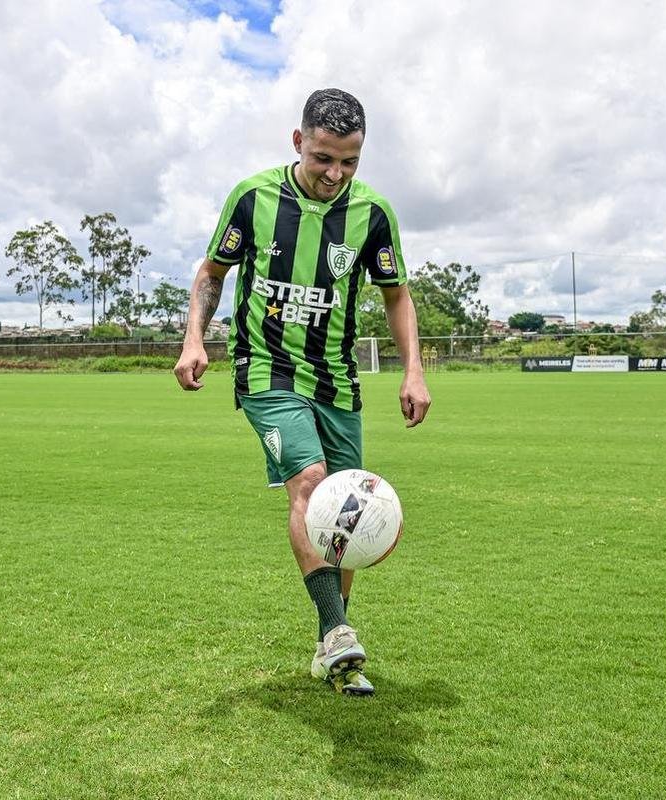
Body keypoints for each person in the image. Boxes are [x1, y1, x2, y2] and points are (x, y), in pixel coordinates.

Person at [173, 88, 430, 696]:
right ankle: (339, 632)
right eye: (323, 158)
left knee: (346, 509)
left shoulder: (373, 214)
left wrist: (414, 369)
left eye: (349, 162)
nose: (335, 174)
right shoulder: (253, 197)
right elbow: (212, 273)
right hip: (266, 369)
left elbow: (397, 295)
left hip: (336, 379)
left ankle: (329, 649)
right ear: (298, 142)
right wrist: (194, 338)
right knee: (311, 483)